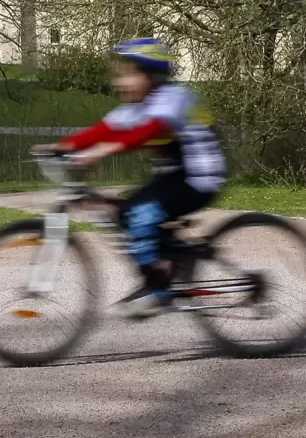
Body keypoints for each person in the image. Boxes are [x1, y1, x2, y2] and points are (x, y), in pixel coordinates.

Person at [34, 38, 227, 319]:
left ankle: (157, 289)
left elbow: (148, 130)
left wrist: (103, 151)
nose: (120, 83)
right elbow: (103, 130)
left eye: (128, 74)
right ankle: (171, 264)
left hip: (200, 177)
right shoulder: (139, 104)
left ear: (150, 75)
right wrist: (61, 148)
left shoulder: (174, 97)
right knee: (124, 214)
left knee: (140, 215)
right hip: (174, 176)